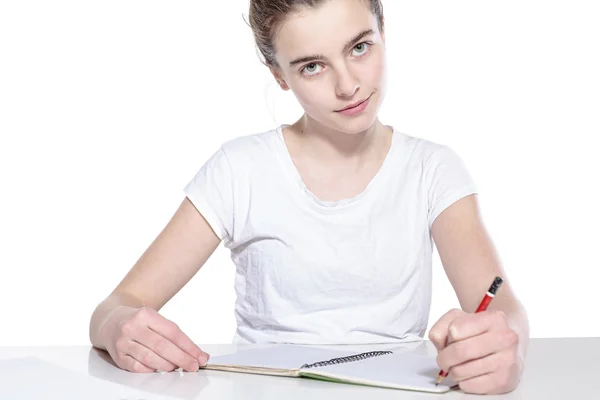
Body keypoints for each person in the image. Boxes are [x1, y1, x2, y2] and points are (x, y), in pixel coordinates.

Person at [89, 0, 529, 395]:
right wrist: (116, 326)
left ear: (382, 33)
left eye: (360, 48)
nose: (347, 86)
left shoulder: (432, 169)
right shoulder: (240, 169)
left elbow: (503, 306)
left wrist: (502, 343)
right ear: (279, 75)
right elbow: (116, 306)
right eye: (312, 66)